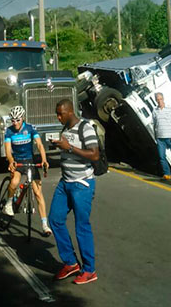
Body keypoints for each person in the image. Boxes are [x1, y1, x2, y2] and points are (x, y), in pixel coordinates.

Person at [49, 99, 99, 285]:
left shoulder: (85, 128)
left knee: (81, 226)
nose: (58, 117)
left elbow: (94, 154)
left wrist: (69, 147)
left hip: (82, 184)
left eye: (60, 114)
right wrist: (59, 146)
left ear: (70, 112)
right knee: (55, 219)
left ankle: (89, 269)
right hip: (66, 182)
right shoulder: (66, 129)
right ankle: (71, 263)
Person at [1, 105, 52, 236]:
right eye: (13, 120)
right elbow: (7, 150)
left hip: (30, 160)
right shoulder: (9, 131)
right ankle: (9, 202)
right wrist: (11, 160)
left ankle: (45, 225)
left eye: (17, 120)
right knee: (14, 182)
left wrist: (44, 159)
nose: (15, 123)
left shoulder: (30, 128)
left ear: (22, 118)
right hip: (18, 161)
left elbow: (40, 145)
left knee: (38, 193)